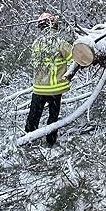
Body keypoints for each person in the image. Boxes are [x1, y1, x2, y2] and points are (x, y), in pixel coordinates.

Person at [25, 12, 73, 146]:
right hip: (55, 89)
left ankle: (29, 140)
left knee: (33, 116)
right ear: (54, 25)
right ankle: (50, 142)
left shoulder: (36, 44)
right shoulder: (60, 43)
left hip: (39, 88)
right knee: (53, 117)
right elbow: (74, 58)